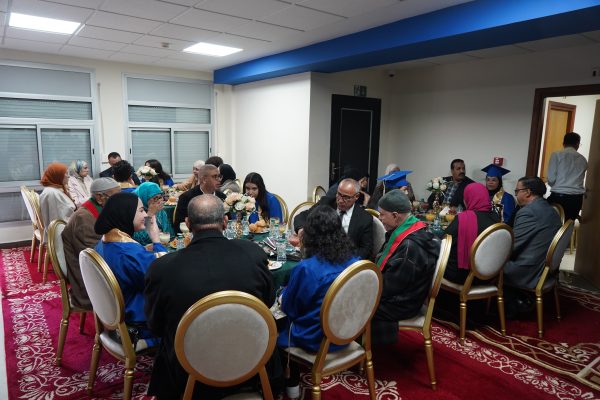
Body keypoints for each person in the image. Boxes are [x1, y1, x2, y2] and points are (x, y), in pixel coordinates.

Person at [144, 194, 275, 400]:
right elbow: (267, 302)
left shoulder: (162, 268)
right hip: (250, 361)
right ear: (225, 222)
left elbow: (156, 326)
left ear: (188, 224)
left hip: (189, 373)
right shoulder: (253, 253)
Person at [277, 205, 359, 397]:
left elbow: (290, 309)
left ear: (310, 235)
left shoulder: (307, 269)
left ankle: (291, 388)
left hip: (314, 338)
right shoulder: (355, 261)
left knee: (273, 325)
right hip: (347, 332)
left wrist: (281, 295)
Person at [94, 192, 167, 348]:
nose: (146, 214)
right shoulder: (127, 252)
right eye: (141, 210)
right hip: (138, 320)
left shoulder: (105, 241)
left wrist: (143, 250)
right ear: (125, 214)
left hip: (114, 311)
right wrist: (156, 240)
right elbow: (164, 275)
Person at [372, 190, 440, 345]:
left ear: (395, 216)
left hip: (403, 303)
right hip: (407, 292)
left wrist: (365, 287)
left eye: (382, 214)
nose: (380, 218)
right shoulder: (413, 228)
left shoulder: (410, 246)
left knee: (356, 300)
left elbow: (391, 286)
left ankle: (361, 347)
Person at [62, 178, 121, 308]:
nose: (120, 200)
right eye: (116, 196)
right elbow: (96, 258)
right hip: (90, 288)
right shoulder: (84, 218)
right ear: (100, 197)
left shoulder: (96, 209)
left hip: (97, 273)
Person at [504, 177, 562, 291]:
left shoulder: (528, 212)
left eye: (517, 191)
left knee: (484, 264)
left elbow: (512, 245)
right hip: (545, 268)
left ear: (527, 192)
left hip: (528, 270)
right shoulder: (550, 209)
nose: (516, 195)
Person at [294, 179, 373, 260]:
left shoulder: (365, 218)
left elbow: (366, 249)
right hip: (320, 256)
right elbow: (301, 217)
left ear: (356, 196)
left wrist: (346, 260)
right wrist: (301, 229)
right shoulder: (326, 203)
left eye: (346, 197)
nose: (340, 200)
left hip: (346, 260)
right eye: (339, 194)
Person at [443, 182, 500, 284]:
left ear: (468, 199)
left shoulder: (463, 218)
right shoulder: (496, 218)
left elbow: (444, 241)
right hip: (488, 276)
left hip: (462, 275)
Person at [547, 132, 588, 222]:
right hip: (576, 199)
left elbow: (551, 179)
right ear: (577, 144)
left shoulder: (557, 155)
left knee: (551, 225)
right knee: (568, 226)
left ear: (564, 143)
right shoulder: (583, 159)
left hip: (559, 197)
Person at [174, 164, 226, 233]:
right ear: (204, 179)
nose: (219, 180)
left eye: (219, 176)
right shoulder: (187, 197)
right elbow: (180, 225)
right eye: (215, 177)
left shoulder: (222, 196)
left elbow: (227, 222)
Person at [39, 163, 76, 241]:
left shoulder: (54, 190)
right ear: (58, 176)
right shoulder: (52, 194)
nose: (68, 176)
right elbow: (58, 223)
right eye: (66, 174)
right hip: (64, 236)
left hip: (67, 228)